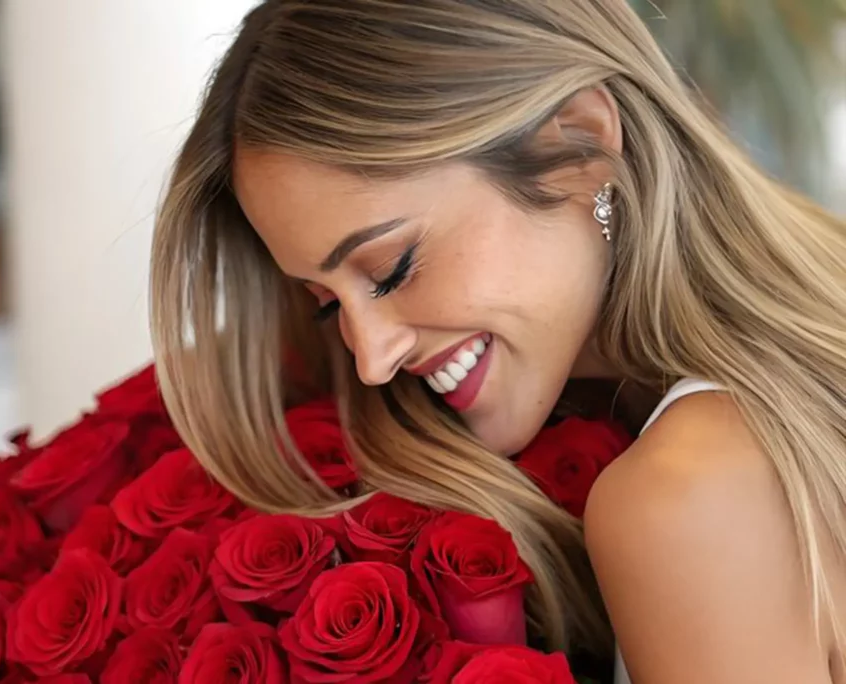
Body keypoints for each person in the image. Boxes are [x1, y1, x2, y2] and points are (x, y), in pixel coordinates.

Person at [148, 1, 846, 681]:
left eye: (392, 268)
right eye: (328, 304)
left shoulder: (684, 499)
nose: (372, 360)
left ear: (577, 143)